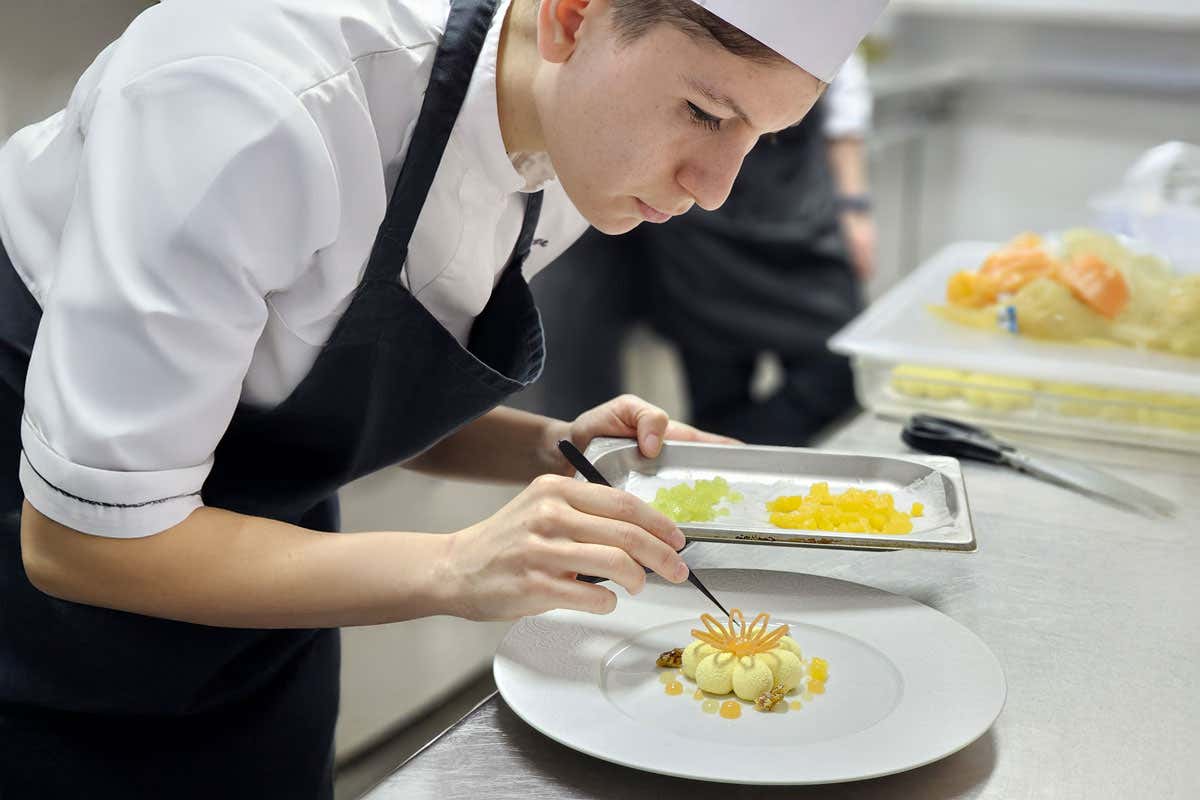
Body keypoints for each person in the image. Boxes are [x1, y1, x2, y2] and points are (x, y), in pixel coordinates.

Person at [0, 0, 887, 796]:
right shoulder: (249, 108)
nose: (714, 189)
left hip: (261, 581)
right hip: (45, 601)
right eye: (704, 112)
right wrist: (457, 566)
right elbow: (81, 543)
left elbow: (325, 377)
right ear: (574, 19)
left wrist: (552, 449)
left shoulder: (578, 149)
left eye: (761, 137)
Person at [521, 52, 876, 446]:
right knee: (714, 376)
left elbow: (844, 76)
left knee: (843, 366)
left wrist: (853, 202)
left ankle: (720, 457)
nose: (714, 188)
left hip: (792, 188)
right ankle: (717, 483)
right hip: (696, 226)